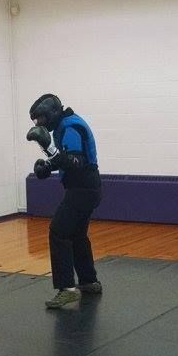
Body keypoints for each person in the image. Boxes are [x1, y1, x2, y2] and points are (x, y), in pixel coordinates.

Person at [27, 94, 102, 309]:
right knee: (77, 234)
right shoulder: (66, 125)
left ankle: (67, 289)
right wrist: (49, 165)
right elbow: (68, 159)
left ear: (51, 114)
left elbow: (75, 161)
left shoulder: (70, 127)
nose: (40, 124)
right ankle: (89, 281)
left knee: (58, 232)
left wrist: (49, 153)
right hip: (85, 187)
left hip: (82, 189)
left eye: (40, 119)